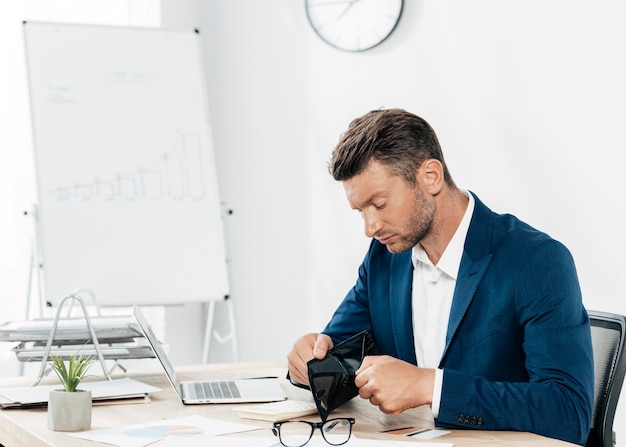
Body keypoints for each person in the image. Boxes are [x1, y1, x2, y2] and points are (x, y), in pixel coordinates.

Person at [287, 108, 594, 445]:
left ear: (430, 176)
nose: (370, 227)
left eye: (380, 203)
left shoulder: (536, 260)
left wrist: (430, 387)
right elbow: (339, 360)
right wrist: (309, 364)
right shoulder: (384, 258)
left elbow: (568, 413)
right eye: (361, 211)